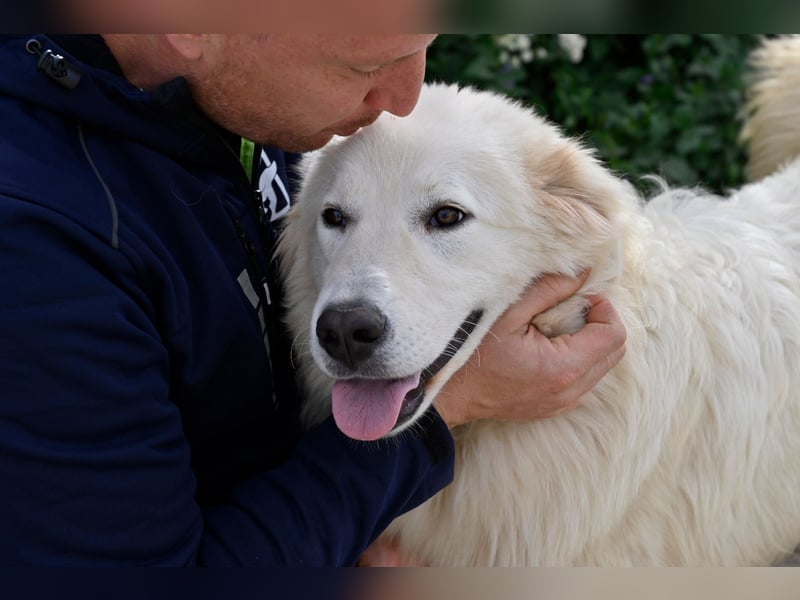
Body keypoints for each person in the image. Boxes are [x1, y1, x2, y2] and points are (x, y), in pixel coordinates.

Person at [0, 34, 626, 566]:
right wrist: (448, 413)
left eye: (423, 45)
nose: (405, 99)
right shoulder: (38, 242)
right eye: (363, 65)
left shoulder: (236, 101)